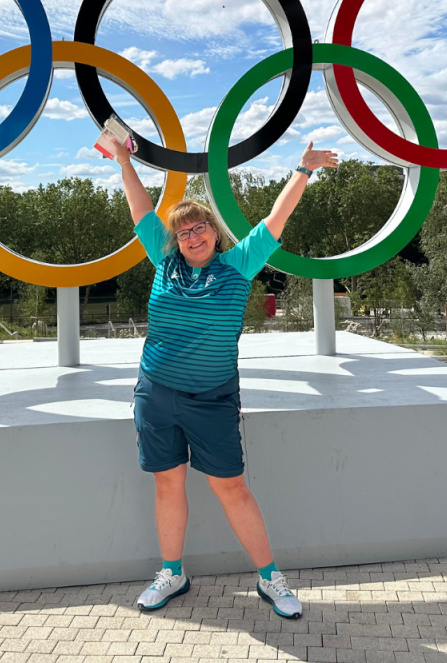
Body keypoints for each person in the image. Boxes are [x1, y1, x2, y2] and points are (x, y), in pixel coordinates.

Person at [113, 136, 338, 619]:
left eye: (200, 228)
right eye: (184, 232)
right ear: (175, 239)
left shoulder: (239, 266)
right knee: (167, 485)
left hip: (212, 399)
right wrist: (123, 160)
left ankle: (269, 578)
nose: (193, 236)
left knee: (232, 488)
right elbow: (139, 206)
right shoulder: (164, 261)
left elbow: (275, 220)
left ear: (214, 232)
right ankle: (172, 573)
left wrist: (304, 168)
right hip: (155, 393)